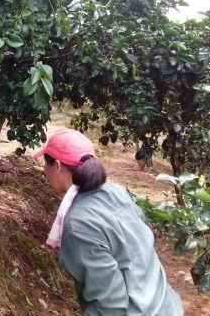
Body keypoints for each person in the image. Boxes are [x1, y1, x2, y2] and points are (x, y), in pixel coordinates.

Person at [34, 128, 183, 315]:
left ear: (56, 166)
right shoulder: (116, 191)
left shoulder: (79, 224)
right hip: (165, 304)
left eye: (45, 163)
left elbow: (110, 305)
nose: (44, 170)